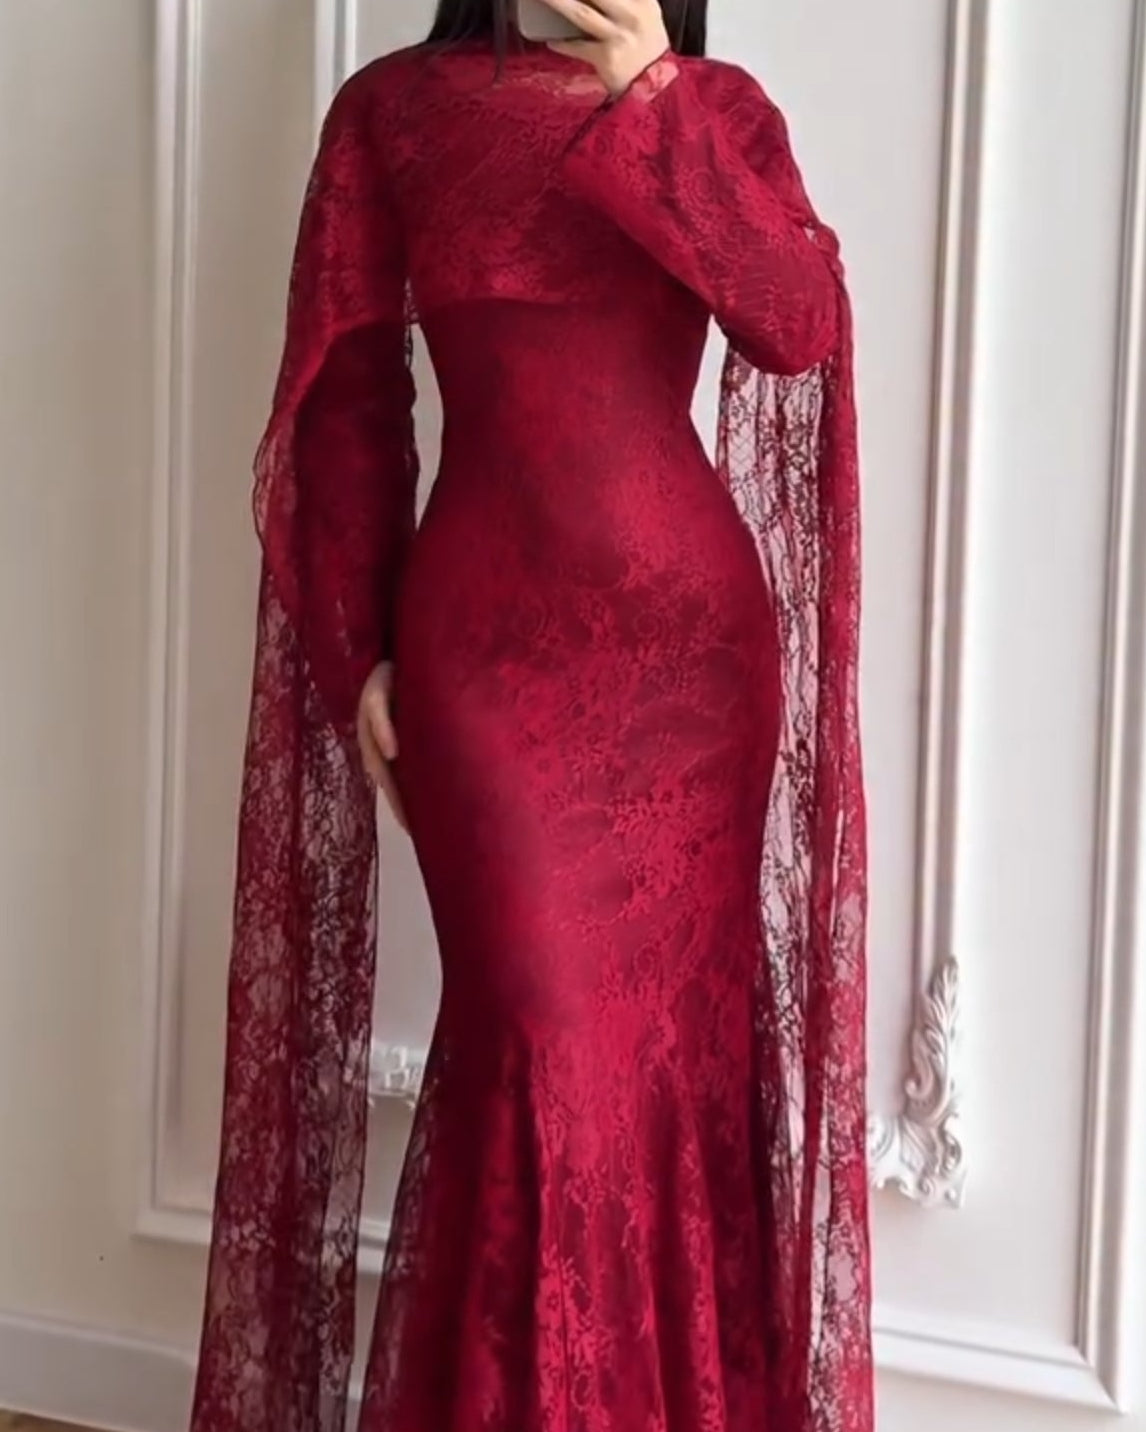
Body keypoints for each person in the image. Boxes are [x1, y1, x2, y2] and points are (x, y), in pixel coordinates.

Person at [189, 0, 873, 1429]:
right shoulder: (391, 117)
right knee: (535, 1049)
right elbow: (346, 405)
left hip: (692, 676)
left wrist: (653, 96)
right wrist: (357, 648)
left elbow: (796, 324)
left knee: (666, 1074)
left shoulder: (718, 110)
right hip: (484, 669)